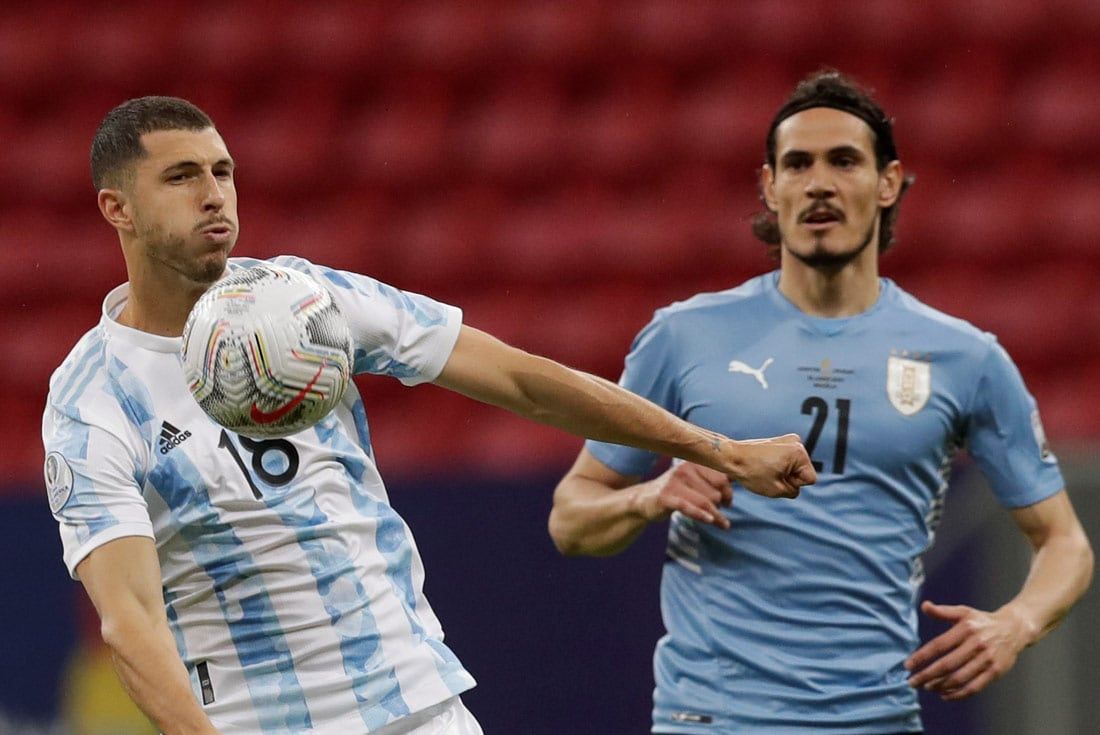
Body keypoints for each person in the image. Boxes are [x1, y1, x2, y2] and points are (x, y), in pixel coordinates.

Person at [41, 97, 818, 735]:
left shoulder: (310, 302)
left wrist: (719, 449)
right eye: (181, 176)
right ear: (118, 208)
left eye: (223, 171)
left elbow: (521, 378)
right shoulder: (92, 401)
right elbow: (130, 621)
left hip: (416, 703)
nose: (214, 193)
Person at [548, 70, 1094, 734]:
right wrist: (649, 495)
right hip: (712, 717)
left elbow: (1064, 541)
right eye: (798, 164)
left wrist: (1017, 621)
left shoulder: (965, 358)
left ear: (888, 182)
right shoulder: (682, 337)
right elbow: (570, 519)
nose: (819, 183)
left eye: (844, 161)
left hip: (876, 718)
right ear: (769, 187)